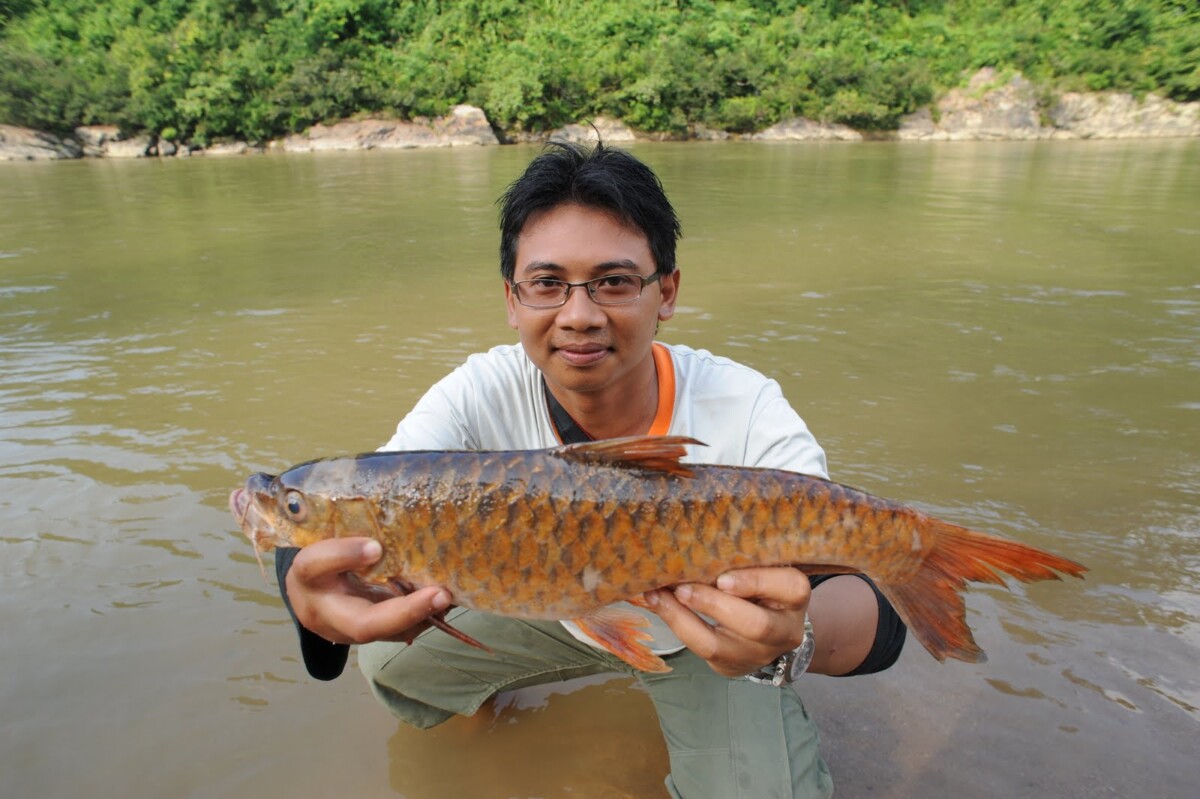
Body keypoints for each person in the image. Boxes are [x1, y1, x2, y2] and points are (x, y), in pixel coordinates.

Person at [277, 140, 906, 798]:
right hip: (551, 608)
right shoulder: (477, 392)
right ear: (512, 300)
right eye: (548, 284)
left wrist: (788, 641)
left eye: (613, 281)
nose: (579, 315)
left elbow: (877, 614)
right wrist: (303, 587)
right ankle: (484, 704)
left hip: (708, 641)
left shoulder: (746, 410)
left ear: (666, 291)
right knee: (386, 662)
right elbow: (360, 496)